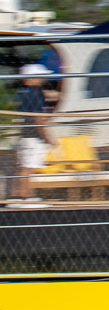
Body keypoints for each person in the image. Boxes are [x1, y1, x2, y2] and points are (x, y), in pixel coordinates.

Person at [7, 64, 57, 208]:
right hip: (33, 136)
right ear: (32, 78)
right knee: (27, 168)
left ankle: (17, 197)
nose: (42, 79)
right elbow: (37, 118)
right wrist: (48, 138)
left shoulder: (23, 93)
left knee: (23, 167)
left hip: (25, 135)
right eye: (39, 76)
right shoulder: (36, 93)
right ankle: (27, 198)